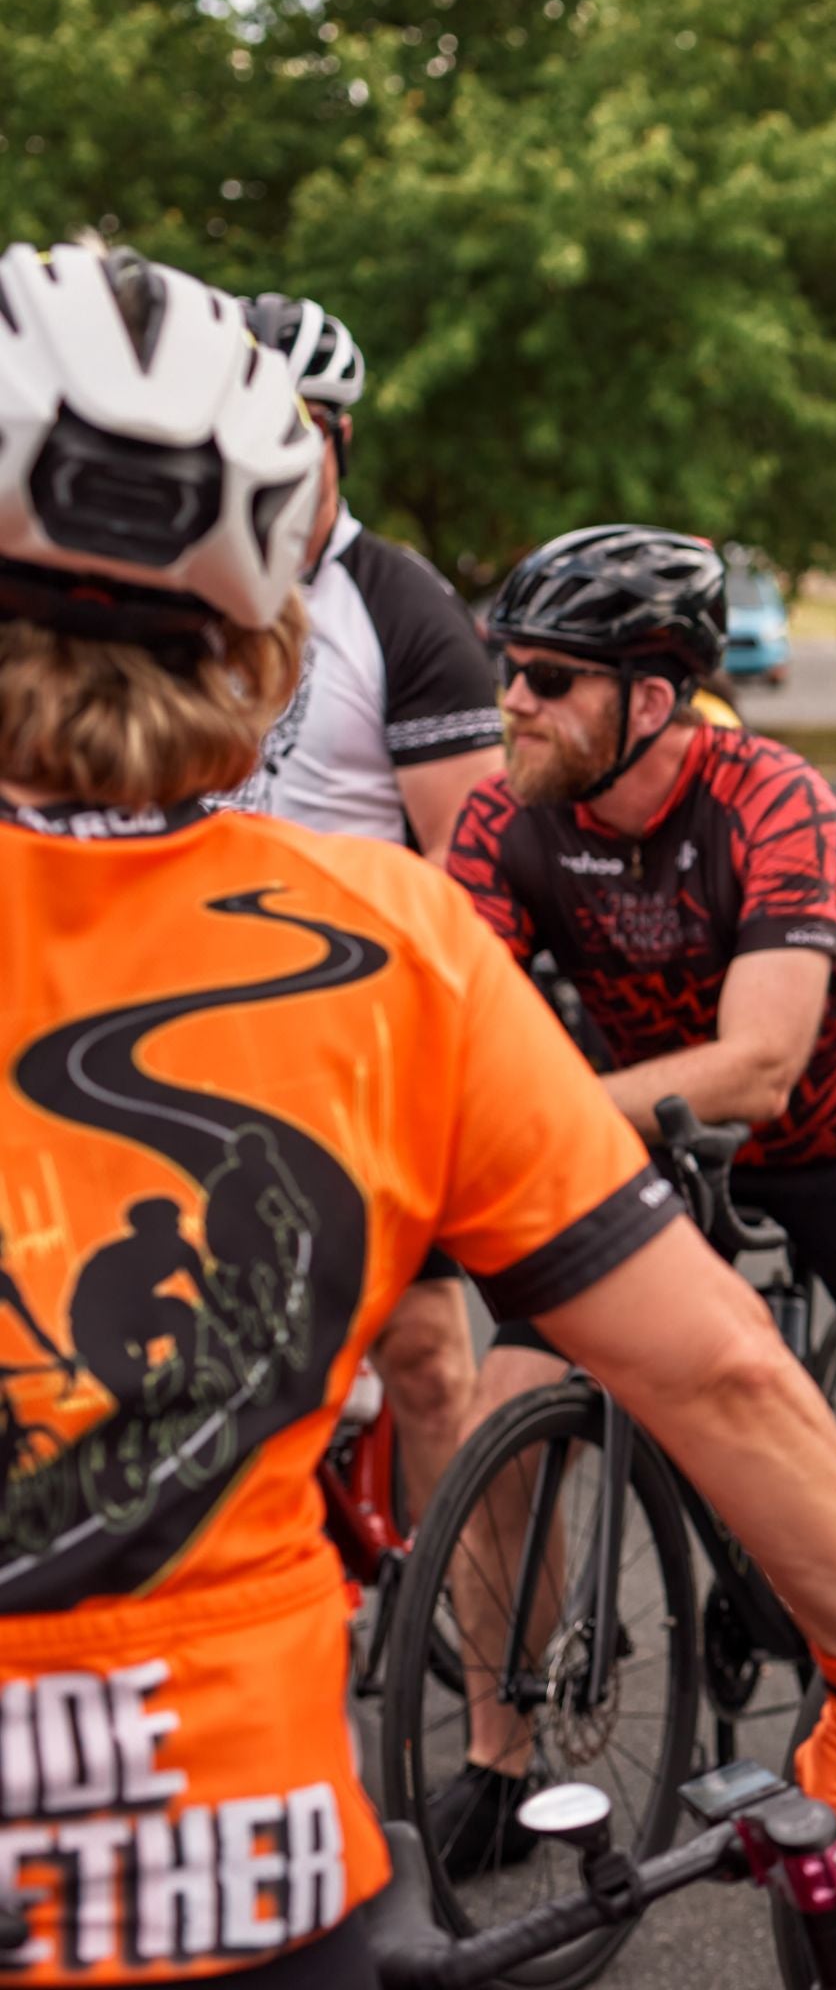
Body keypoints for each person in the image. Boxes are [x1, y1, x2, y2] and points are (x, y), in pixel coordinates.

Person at [0, 241, 836, 1987]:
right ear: (273, 615)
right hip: (231, 1860)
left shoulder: (753, 800)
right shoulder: (383, 941)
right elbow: (719, 1367)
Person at [439, 523, 836, 1863]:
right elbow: (465, 1024)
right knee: (502, 1416)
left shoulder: (770, 794)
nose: (513, 700)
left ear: (650, 700)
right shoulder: (506, 815)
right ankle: (501, 1762)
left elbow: (764, 1065)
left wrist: (530, 1111)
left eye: (550, 678)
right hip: (637, 1138)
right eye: (511, 669)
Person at [229, 292, 508, 1528]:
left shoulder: (401, 608)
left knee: (430, 1355)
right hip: (198, 1011)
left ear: (336, 437)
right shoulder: (182, 587)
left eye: (287, 428)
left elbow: (469, 853)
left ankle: (480, 1656)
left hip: (360, 1027)